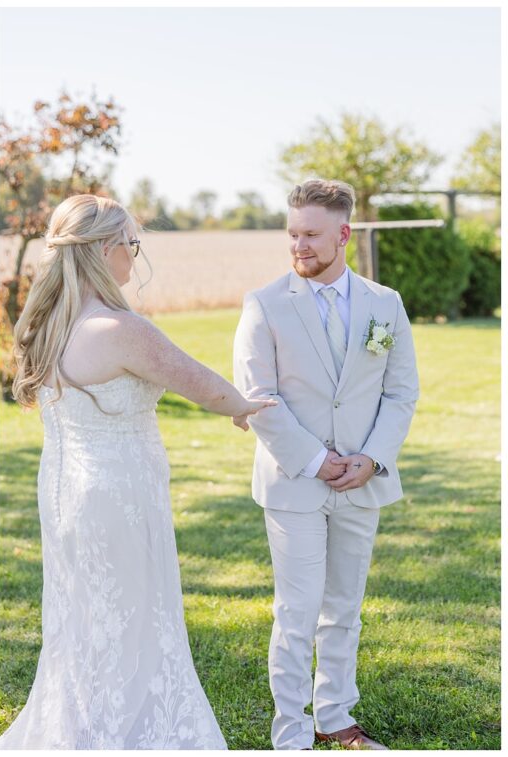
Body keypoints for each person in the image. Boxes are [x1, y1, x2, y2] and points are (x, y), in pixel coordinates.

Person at [0, 194, 273, 749]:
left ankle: (84, 728)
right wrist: (243, 406)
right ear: (105, 249)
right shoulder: (120, 328)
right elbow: (201, 383)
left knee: (84, 624)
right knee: (133, 624)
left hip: (65, 494)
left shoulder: (51, 324)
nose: (134, 255)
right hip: (116, 496)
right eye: (132, 244)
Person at [233, 179, 419, 750]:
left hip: (363, 482)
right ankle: (290, 734)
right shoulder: (264, 304)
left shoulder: (383, 304)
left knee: (344, 608)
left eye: (311, 235)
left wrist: (371, 458)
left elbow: (400, 391)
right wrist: (317, 461)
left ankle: (335, 717)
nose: (299, 246)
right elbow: (257, 394)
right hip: (296, 483)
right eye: (292, 234)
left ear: (343, 234)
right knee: (297, 610)